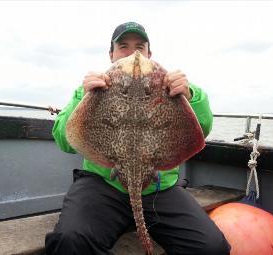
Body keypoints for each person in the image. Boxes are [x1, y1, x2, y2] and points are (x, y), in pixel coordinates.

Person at [45, 22, 230, 255]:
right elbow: (64, 140)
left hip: (159, 188)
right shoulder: (93, 89)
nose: (133, 54)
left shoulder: (170, 86)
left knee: (211, 248)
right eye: (123, 46)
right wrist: (83, 97)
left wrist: (191, 95)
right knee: (69, 241)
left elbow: (201, 129)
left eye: (140, 47)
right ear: (111, 55)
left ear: (150, 54)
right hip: (102, 187)